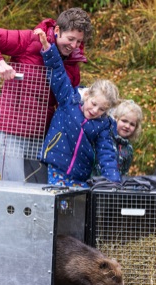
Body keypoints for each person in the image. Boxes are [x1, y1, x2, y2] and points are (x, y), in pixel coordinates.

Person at [0, 8, 93, 183]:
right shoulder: (30, 40)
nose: (74, 46)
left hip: (42, 137)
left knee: (41, 193)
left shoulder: (73, 63)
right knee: (14, 191)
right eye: (70, 39)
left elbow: (67, 103)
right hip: (11, 131)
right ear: (57, 30)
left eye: (79, 41)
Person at [34, 28, 121, 187]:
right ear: (87, 95)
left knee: (78, 208)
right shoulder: (69, 100)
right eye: (94, 104)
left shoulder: (102, 125)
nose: (95, 111)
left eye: (101, 110)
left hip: (80, 175)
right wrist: (47, 47)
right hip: (56, 165)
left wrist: (113, 182)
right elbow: (58, 73)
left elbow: (106, 154)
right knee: (58, 204)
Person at [93, 99, 143, 177]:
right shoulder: (104, 138)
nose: (127, 126)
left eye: (132, 124)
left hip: (116, 186)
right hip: (96, 183)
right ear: (115, 119)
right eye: (124, 121)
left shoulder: (128, 148)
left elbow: (124, 172)